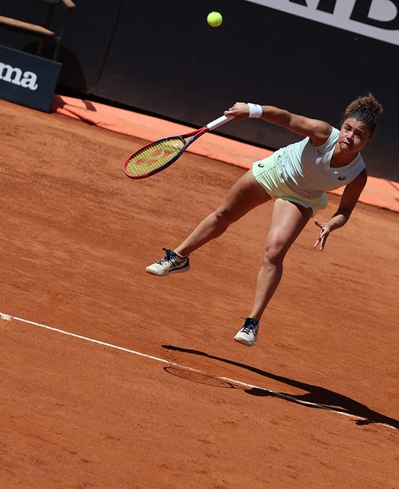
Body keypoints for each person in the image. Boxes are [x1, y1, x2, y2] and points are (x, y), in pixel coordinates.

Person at [146, 94, 383, 347]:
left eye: (359, 134)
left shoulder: (358, 174)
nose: (350, 136)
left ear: (367, 142)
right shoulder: (323, 132)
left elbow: (345, 210)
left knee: (274, 252)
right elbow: (286, 118)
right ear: (341, 126)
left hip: (302, 197)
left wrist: (330, 225)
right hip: (275, 171)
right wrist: (251, 109)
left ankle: (252, 322)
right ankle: (179, 257)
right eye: (348, 128)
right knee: (225, 214)